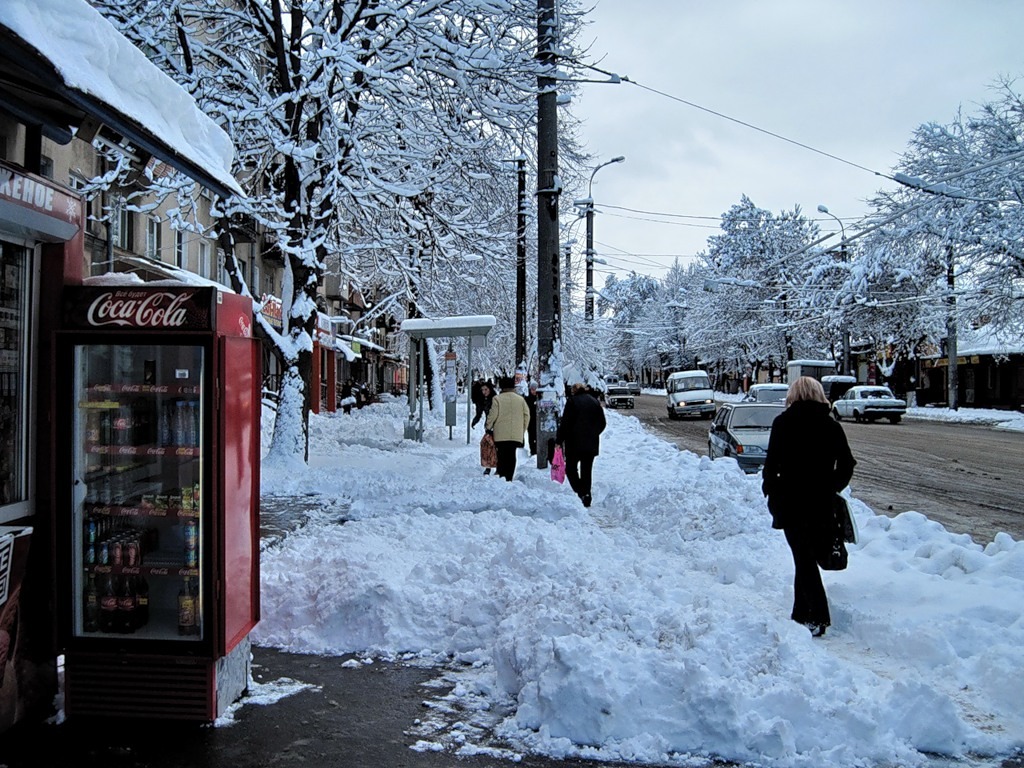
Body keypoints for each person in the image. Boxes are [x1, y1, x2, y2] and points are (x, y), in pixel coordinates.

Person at [761, 376, 856, 638]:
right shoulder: (830, 425)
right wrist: (832, 486)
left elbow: (772, 465)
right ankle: (800, 614)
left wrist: (771, 491)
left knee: (803, 559)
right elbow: (847, 463)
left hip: (790, 503)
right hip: (822, 504)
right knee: (804, 558)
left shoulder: (783, 423)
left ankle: (818, 616)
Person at [555, 382, 607, 507]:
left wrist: (559, 440)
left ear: (574, 391)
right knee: (586, 470)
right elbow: (602, 423)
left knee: (571, 469)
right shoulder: (594, 402)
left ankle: (580, 491)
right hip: (591, 443)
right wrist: (594, 433)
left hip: (574, 443)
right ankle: (587, 494)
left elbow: (566, 423)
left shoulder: (572, 402)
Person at [485, 377, 531, 481]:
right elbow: (527, 415)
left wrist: (488, 426)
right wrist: (522, 429)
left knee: (501, 454)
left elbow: (493, 415)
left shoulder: (497, 399)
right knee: (511, 454)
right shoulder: (520, 399)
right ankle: (509, 476)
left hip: (500, 434)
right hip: (515, 434)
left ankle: (502, 475)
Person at [525, 381, 539, 456]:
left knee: (538, 437)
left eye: (535, 389)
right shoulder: (527, 399)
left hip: (538, 421)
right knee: (531, 437)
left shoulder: (540, 398)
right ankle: (533, 451)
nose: (534, 391)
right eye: (532, 389)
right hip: (530, 421)